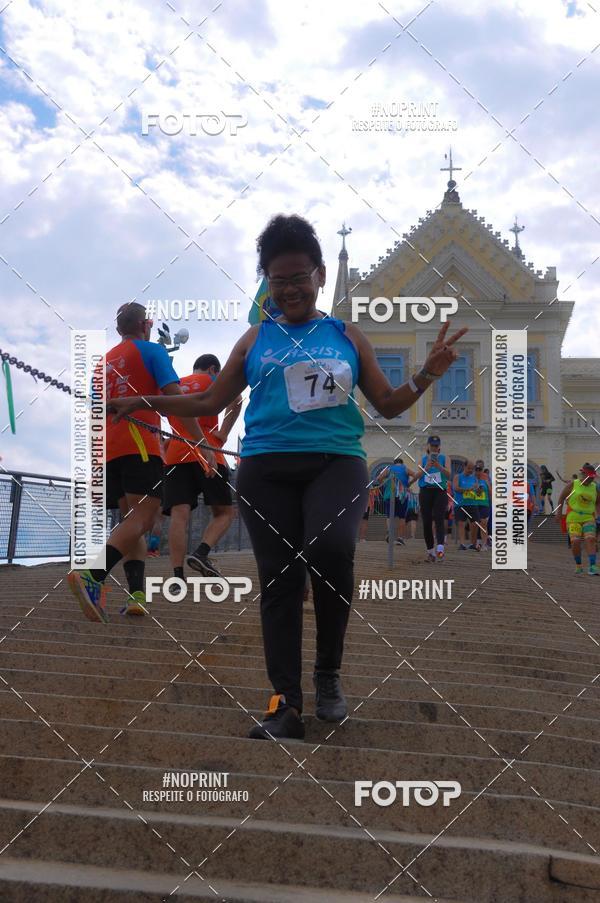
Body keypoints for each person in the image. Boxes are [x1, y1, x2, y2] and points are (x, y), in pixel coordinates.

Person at [109, 213, 466, 740]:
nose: (290, 289)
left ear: (319, 275)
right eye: (279, 280)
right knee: (277, 581)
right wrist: (143, 399)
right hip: (265, 470)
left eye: (300, 277)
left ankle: (328, 674)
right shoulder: (255, 339)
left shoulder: (346, 335)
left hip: (336, 463)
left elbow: (388, 405)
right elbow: (209, 398)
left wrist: (428, 373)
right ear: (267, 284)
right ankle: (285, 703)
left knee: (329, 551)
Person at [67, 302, 213, 623]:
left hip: (107, 447)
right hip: (139, 444)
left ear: (119, 328)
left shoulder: (101, 363)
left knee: (130, 522)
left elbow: (95, 412)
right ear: (146, 324)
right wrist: (200, 444)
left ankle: (136, 596)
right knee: (144, 519)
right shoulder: (151, 351)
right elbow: (176, 401)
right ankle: (94, 574)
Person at [162, 354, 242, 581]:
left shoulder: (174, 386)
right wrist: (223, 433)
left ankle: (177, 576)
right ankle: (201, 552)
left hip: (176, 454)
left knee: (179, 515)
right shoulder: (213, 381)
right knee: (225, 512)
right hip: (209, 452)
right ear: (213, 369)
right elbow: (237, 401)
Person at [410, 436, 451, 562]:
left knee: (439, 518)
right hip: (426, 491)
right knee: (427, 522)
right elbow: (416, 477)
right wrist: (426, 468)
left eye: (436, 445)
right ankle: (430, 551)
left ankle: (440, 549)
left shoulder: (445, 458)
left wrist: (439, 466)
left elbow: (449, 475)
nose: (434, 448)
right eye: (432, 445)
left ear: (439, 446)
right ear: (428, 446)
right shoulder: (422, 460)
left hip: (440, 491)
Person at [555, 463, 600, 576]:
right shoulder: (573, 485)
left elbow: (598, 502)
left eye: (592, 477)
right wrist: (559, 512)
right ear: (583, 474)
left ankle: (592, 566)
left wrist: (598, 515)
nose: (590, 479)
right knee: (575, 541)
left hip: (589, 517)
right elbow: (561, 498)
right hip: (573, 518)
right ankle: (578, 565)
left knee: (590, 539)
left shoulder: (595, 487)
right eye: (588, 477)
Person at [376, 456, 416, 544]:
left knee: (389, 516)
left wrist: (384, 484)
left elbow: (379, 478)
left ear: (394, 463)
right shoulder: (405, 469)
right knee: (402, 517)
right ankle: (400, 538)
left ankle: (389, 533)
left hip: (389, 494)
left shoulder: (389, 468)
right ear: (402, 463)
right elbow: (415, 475)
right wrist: (409, 483)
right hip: (402, 495)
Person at [452, 460, 482, 550]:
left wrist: (479, 490)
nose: (470, 470)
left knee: (475, 523)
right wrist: (468, 489)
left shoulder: (474, 478)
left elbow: (478, 493)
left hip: (472, 503)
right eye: (469, 468)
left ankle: (473, 543)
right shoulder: (458, 477)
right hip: (460, 503)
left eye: (472, 469)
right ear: (464, 467)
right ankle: (462, 544)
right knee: (461, 523)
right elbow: (456, 488)